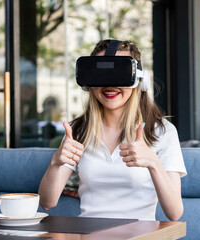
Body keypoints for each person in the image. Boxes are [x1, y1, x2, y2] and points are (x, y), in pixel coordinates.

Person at [38, 39, 187, 221]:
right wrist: (55, 162)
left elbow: (174, 213)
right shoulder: (77, 131)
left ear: (141, 80)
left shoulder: (162, 132)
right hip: (88, 234)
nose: (109, 85)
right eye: (102, 75)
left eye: (119, 74)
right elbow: (47, 202)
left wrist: (153, 163)